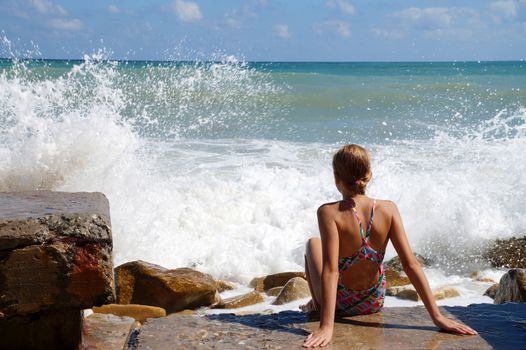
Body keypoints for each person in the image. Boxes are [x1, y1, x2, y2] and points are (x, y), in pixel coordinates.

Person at [302, 144, 477, 348]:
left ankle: (317, 303)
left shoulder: (328, 212)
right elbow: (411, 264)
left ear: (336, 177)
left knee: (312, 244)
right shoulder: (388, 208)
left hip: (342, 304)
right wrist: (437, 317)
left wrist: (327, 327)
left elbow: (331, 271)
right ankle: (316, 303)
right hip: (374, 301)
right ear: (369, 174)